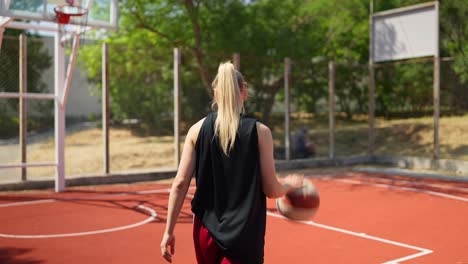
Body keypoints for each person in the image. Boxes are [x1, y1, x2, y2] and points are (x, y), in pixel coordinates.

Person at [160, 62, 304, 263]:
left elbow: (180, 183)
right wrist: (290, 185)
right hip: (245, 234)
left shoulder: (196, 130)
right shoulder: (260, 132)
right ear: (244, 92)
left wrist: (168, 231)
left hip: (205, 231)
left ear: (216, 94)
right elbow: (271, 189)